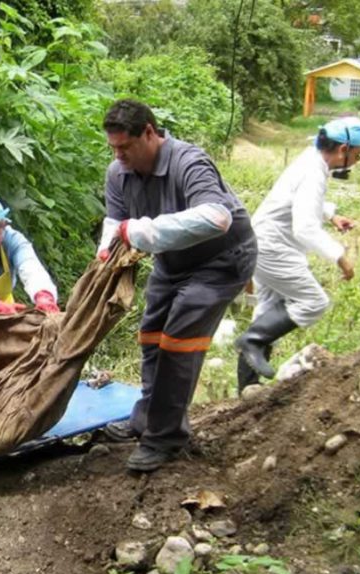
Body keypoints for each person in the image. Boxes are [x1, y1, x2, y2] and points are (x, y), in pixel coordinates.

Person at [95, 99, 257, 472]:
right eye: (113, 148)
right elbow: (114, 222)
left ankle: (165, 438)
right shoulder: (118, 173)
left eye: (126, 147)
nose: (119, 156)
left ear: (150, 133)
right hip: (173, 259)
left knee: (179, 340)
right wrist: (106, 254)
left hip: (222, 258)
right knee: (151, 335)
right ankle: (146, 419)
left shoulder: (189, 162)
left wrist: (137, 231)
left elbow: (217, 218)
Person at [234, 118, 360, 392]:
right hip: (274, 248)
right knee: (314, 301)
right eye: (356, 155)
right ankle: (252, 341)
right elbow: (304, 228)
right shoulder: (314, 172)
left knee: (268, 309)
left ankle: (247, 388)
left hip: (264, 242)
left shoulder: (311, 160)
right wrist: (340, 256)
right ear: (343, 149)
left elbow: (299, 199)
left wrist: (331, 214)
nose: (356, 161)